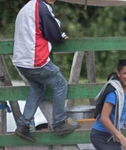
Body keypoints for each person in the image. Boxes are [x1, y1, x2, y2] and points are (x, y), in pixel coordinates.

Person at [12, 0, 79, 141]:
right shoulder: (42, 8)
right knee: (60, 84)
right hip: (35, 60)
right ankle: (59, 123)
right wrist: (61, 37)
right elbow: (54, 34)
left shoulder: (28, 7)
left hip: (21, 61)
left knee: (37, 88)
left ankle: (23, 125)